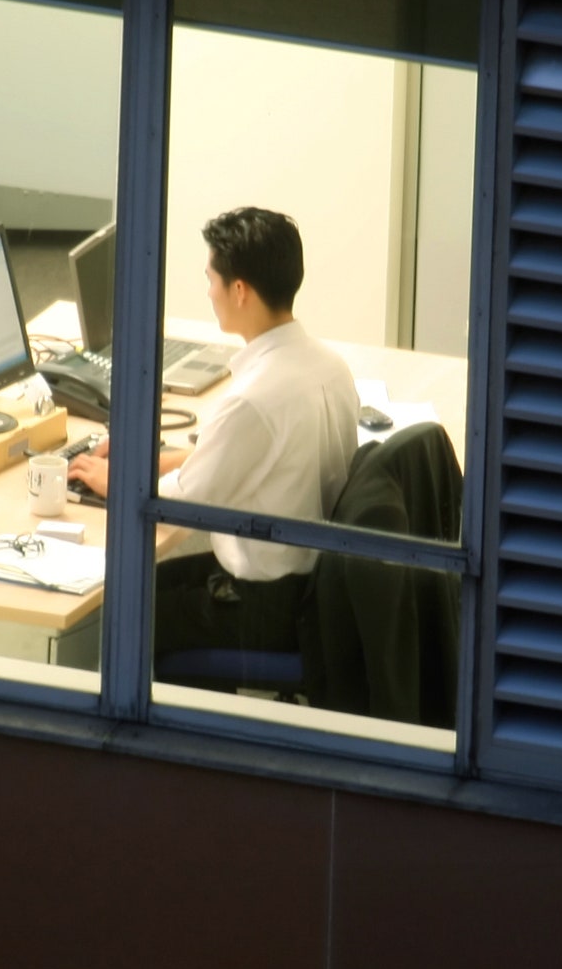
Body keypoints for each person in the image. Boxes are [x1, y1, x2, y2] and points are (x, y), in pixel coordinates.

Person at [67, 206, 359, 662]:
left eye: (211, 279)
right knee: (142, 586)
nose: (208, 291)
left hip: (267, 604)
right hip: (311, 585)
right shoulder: (328, 366)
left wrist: (112, 482)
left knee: (124, 613)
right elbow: (223, 462)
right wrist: (143, 459)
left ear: (239, 290)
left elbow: (174, 506)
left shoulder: (252, 400)